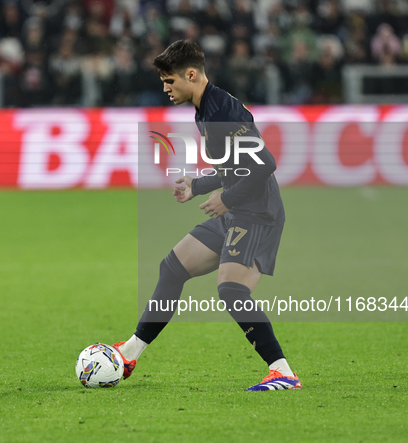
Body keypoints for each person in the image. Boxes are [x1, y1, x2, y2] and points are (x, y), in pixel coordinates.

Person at [113, 40, 302, 391]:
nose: (165, 88)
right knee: (172, 267)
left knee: (232, 290)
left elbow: (265, 165)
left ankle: (284, 373)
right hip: (238, 209)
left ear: (190, 74)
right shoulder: (206, 109)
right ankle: (128, 353)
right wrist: (198, 186)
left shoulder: (222, 113)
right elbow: (236, 166)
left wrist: (227, 199)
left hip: (258, 213)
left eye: (169, 81)